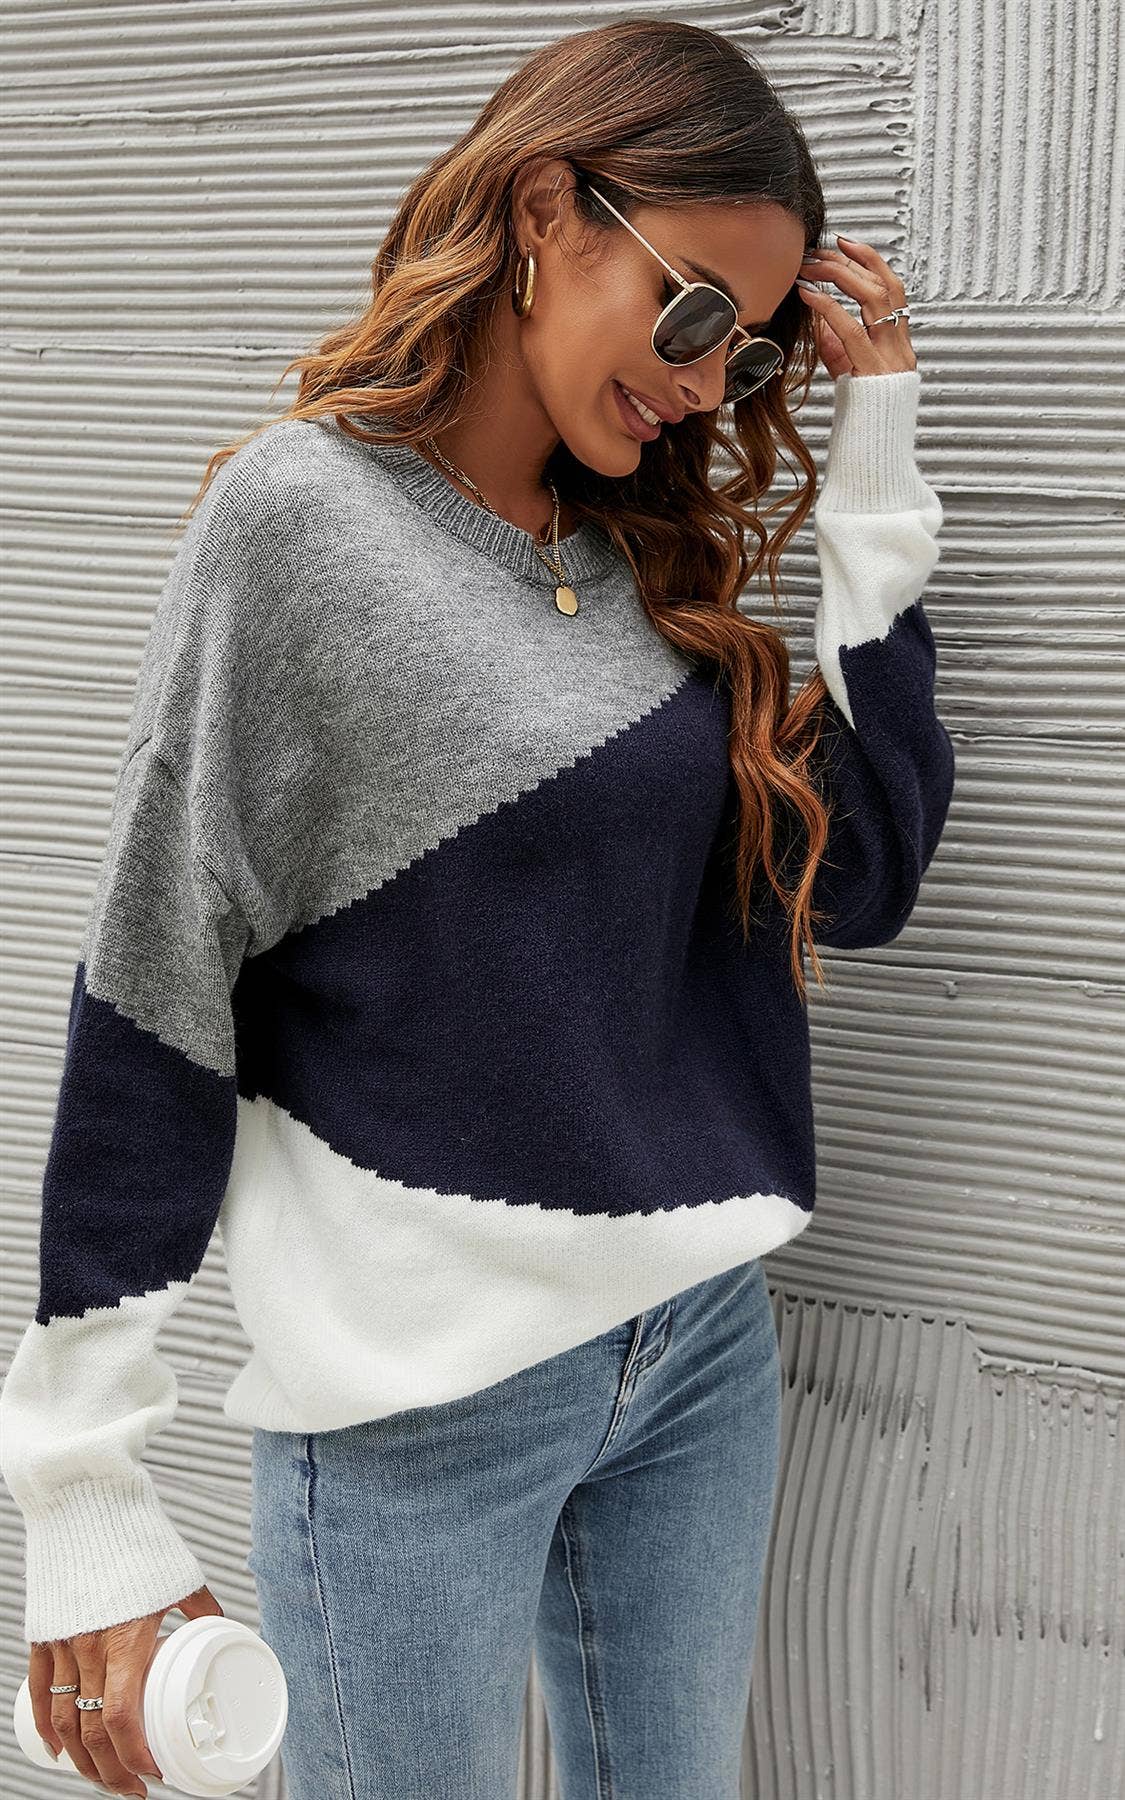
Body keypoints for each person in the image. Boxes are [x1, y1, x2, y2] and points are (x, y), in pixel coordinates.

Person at [1, 19, 954, 1800]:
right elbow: (157, 974)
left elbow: (871, 866)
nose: (707, 386)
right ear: (545, 210)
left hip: (696, 1347)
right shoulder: (299, 522)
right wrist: (83, 1485)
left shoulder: (637, 563)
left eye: (747, 355)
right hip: (413, 1403)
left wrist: (875, 454)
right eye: (690, 312)